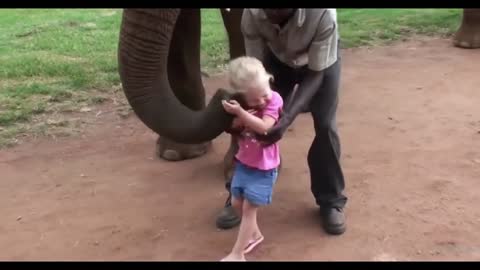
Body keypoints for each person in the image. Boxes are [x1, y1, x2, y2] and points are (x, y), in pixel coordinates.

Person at [217, 8, 347, 235]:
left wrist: (285, 119)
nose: (270, 13)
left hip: (320, 65)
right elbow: (253, 73)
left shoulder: (323, 14)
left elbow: (316, 74)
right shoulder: (253, 14)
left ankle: (331, 201)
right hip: (276, 61)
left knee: (325, 126)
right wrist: (249, 113)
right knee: (252, 118)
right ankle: (238, 195)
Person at [220, 56, 284, 261]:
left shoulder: (274, 100)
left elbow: (265, 128)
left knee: (248, 210)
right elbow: (234, 128)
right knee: (237, 203)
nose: (262, 102)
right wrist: (235, 118)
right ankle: (255, 235)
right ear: (241, 97)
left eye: (263, 95)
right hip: (244, 162)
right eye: (255, 100)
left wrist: (241, 113)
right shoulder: (242, 105)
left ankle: (237, 254)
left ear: (268, 81)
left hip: (265, 167)